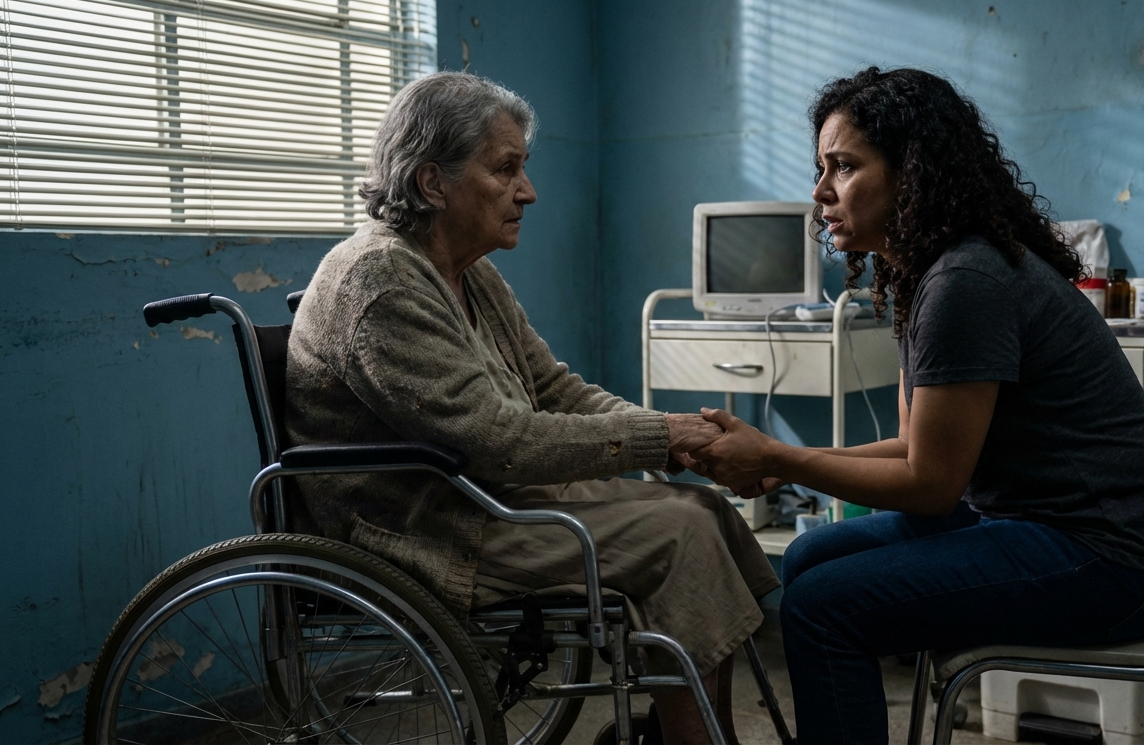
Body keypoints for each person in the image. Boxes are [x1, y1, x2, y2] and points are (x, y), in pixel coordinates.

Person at [686, 67, 1144, 744]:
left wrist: (779, 455)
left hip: (1116, 559)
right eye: (821, 168)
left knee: (819, 606)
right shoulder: (930, 274)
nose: (820, 191)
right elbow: (914, 447)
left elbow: (929, 485)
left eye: (844, 166)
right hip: (1049, 526)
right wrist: (783, 462)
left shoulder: (965, 282)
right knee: (810, 558)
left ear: (912, 173)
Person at [285, 71, 778, 743]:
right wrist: (662, 436)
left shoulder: (469, 272)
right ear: (433, 183)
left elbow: (552, 389)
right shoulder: (379, 280)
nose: (528, 191)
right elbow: (499, 440)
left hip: (487, 499)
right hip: (429, 529)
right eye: (505, 169)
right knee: (679, 534)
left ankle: (682, 730)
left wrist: (679, 440)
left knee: (705, 510)